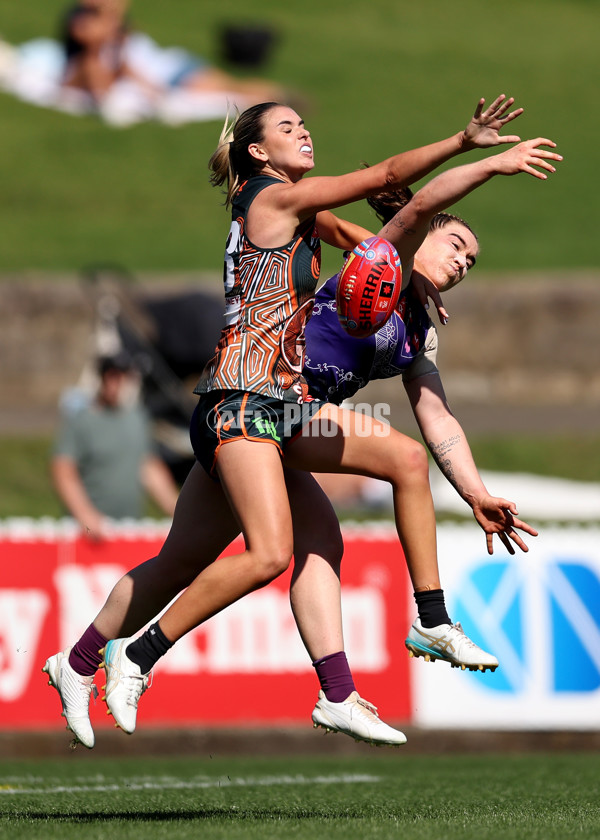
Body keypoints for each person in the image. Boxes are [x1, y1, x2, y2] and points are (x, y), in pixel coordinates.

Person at [43, 95, 558, 749]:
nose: (304, 131)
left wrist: (477, 492)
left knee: (213, 558)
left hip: (273, 412)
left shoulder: (400, 308)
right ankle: (140, 656)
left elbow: (437, 411)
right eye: (288, 127)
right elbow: (398, 197)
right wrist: (471, 147)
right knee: (294, 536)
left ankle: (82, 661)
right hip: (246, 400)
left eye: (472, 260)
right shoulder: (283, 207)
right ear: (257, 151)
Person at [60, 0, 287, 117]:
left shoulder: (118, 31)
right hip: (168, 73)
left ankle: (279, 99)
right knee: (229, 91)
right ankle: (277, 102)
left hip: (172, 70)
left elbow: (126, 63)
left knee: (229, 89)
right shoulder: (83, 21)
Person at [51, 351, 179, 540]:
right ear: (101, 378)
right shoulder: (81, 420)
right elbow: (63, 470)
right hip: (87, 532)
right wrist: (85, 515)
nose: (116, 383)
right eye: (111, 376)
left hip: (127, 529)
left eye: (121, 376)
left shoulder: (137, 419)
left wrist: (177, 511)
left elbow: (149, 468)